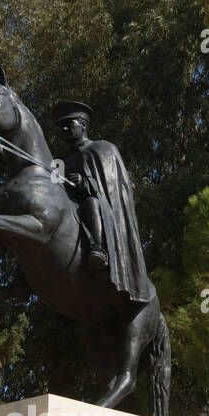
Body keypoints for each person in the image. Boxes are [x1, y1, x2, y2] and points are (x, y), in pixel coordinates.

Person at [53, 100, 150, 302]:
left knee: (91, 202)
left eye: (68, 124)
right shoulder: (61, 162)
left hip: (101, 211)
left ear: (83, 125)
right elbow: (49, 192)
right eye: (62, 126)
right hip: (72, 212)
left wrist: (85, 183)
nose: (64, 129)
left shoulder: (104, 149)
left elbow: (113, 188)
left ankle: (99, 249)